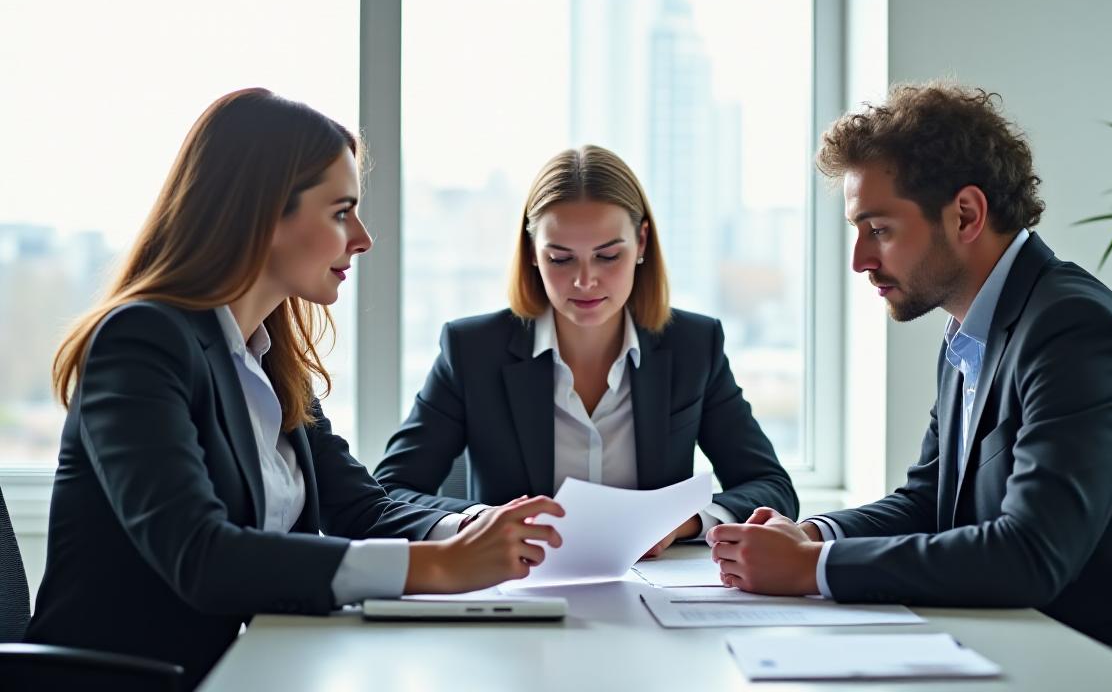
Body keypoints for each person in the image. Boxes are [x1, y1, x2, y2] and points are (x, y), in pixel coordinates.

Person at [706, 82, 1112, 692]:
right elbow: (926, 503)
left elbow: (1030, 554)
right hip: (1031, 650)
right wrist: (811, 534)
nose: (860, 259)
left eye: (879, 229)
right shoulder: (972, 332)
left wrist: (813, 567)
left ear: (966, 214)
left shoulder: (1074, 329)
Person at [25, 88, 563, 689]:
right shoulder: (141, 342)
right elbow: (200, 555)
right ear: (261, 215)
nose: (363, 238)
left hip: (259, 668)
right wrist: (436, 567)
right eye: (341, 212)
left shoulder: (268, 360)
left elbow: (360, 506)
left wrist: (478, 528)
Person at [375, 145, 797, 557]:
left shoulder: (694, 345)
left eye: (608, 256)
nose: (585, 280)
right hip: (514, 584)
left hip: (655, 586)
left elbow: (772, 488)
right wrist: (482, 522)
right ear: (533, 254)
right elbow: (389, 492)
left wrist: (682, 521)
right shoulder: (472, 350)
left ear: (642, 243)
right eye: (560, 259)